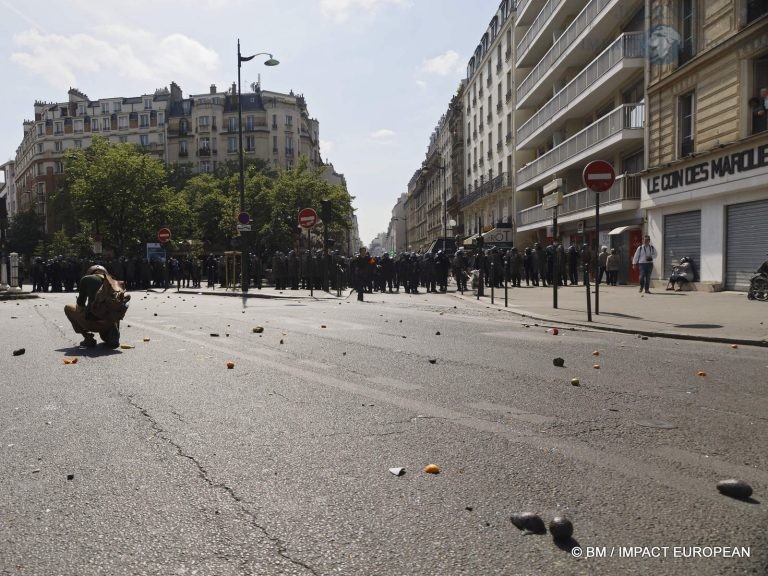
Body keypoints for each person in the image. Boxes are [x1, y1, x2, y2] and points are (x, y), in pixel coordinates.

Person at [63, 265, 123, 349]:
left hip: (92, 323)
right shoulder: (115, 282)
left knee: (68, 308)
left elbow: (80, 304)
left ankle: (88, 338)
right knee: (115, 307)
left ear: (90, 272)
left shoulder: (86, 279)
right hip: (110, 322)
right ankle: (113, 333)